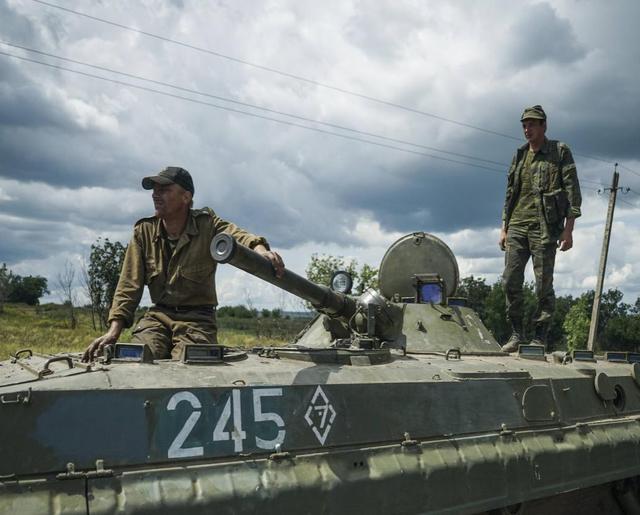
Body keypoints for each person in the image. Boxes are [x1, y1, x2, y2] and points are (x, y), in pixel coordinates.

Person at [83, 166, 284, 361]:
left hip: (198, 320)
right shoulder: (144, 232)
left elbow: (237, 235)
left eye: (164, 190)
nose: (155, 195)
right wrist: (113, 331)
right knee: (138, 358)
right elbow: (128, 285)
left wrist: (261, 250)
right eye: (154, 191)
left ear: (186, 197)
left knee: (189, 366)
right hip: (158, 317)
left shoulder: (206, 224)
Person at [499, 105, 581, 352]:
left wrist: (568, 230)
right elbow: (510, 194)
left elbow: (572, 192)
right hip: (516, 226)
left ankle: (539, 337)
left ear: (544, 125)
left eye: (532, 124)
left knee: (543, 285)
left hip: (545, 229)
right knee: (509, 280)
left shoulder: (559, 151)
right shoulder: (520, 155)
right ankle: (516, 333)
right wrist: (503, 227)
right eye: (525, 125)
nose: (527, 129)